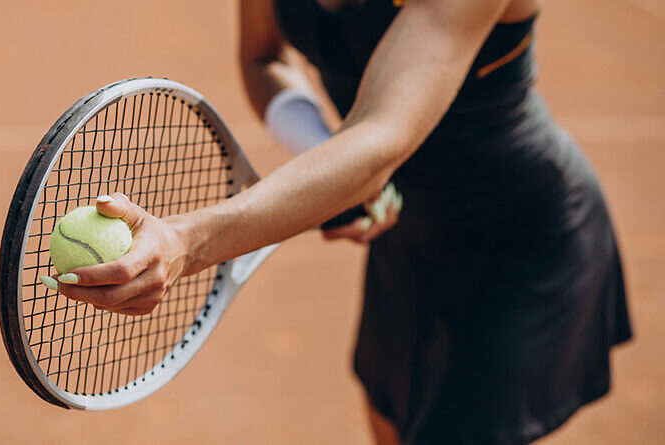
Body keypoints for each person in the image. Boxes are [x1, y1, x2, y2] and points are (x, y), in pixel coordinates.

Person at [50, 0, 632, 443]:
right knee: (391, 426)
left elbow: (382, 137)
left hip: (521, 246)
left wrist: (186, 240)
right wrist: (323, 152)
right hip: (406, 245)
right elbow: (264, 56)